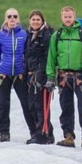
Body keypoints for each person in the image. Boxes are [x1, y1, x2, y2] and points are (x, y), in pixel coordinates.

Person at [45, 6, 82, 148]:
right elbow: (51, 57)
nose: (67, 19)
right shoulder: (57, 35)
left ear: (74, 17)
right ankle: (68, 136)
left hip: (80, 77)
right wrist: (50, 77)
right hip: (63, 77)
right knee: (66, 107)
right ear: (62, 17)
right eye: (65, 17)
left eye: (70, 16)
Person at [0, 8, 35, 142]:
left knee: (26, 103)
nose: (12, 18)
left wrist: (29, 72)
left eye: (15, 16)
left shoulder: (24, 34)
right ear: (6, 18)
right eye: (9, 16)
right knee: (4, 103)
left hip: (20, 73)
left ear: (18, 19)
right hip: (3, 73)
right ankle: (4, 132)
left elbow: (28, 54)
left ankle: (33, 131)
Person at [24, 10, 55, 144]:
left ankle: (42, 134)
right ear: (30, 21)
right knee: (31, 105)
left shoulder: (46, 35)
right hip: (31, 75)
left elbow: (48, 57)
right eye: (33, 19)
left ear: (42, 21)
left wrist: (44, 76)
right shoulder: (29, 35)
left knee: (40, 105)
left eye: (38, 19)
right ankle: (47, 133)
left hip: (41, 75)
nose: (35, 22)